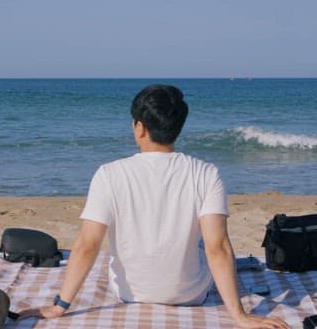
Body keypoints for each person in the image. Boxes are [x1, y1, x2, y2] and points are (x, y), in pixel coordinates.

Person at [18, 84, 289, 329]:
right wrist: (239, 316)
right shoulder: (205, 173)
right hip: (190, 294)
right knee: (202, 244)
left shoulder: (109, 173)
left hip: (128, 292)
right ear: (178, 128)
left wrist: (59, 306)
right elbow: (216, 246)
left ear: (139, 127)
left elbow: (88, 245)